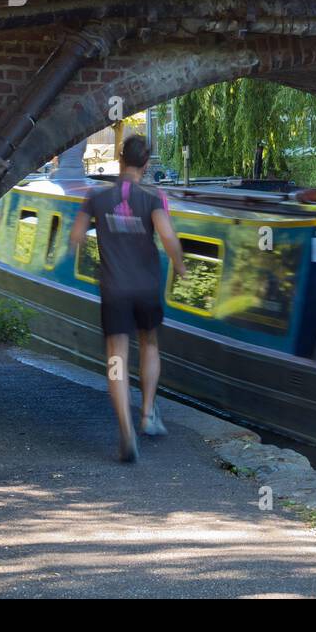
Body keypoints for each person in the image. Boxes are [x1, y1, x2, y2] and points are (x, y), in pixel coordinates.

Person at [70, 135, 186, 463]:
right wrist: (179, 266)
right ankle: (147, 413)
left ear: (121, 160)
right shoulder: (153, 199)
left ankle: (125, 430)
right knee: (149, 344)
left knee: (116, 358)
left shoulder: (96, 198)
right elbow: (167, 237)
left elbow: (77, 237)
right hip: (146, 289)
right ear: (146, 163)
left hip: (114, 290)